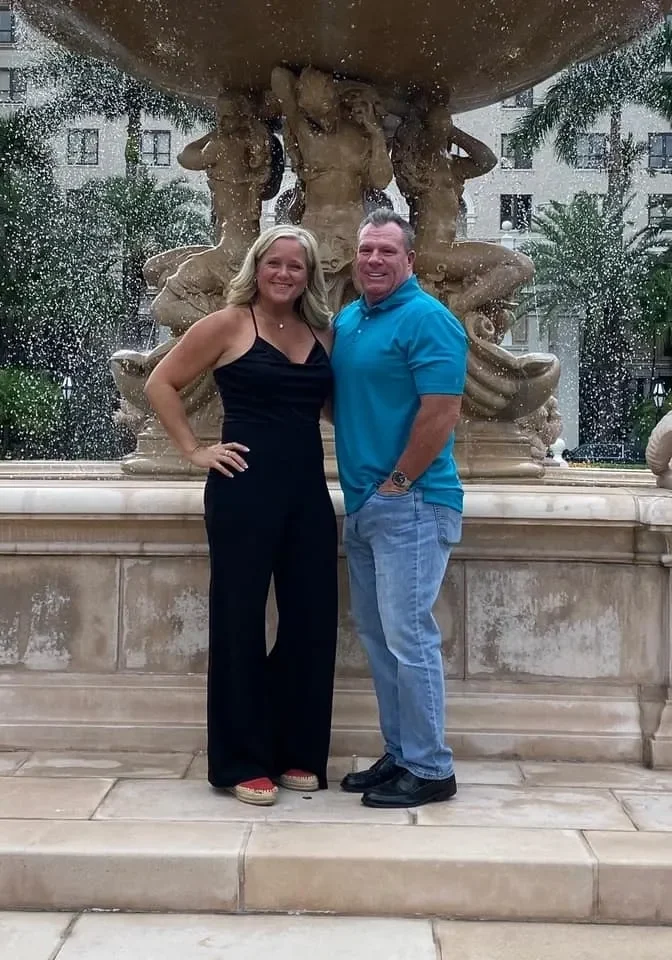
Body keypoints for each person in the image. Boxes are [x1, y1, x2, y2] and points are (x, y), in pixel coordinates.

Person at [145, 225, 338, 806]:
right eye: (274, 263)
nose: (284, 274)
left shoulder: (322, 331)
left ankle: (297, 750)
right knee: (239, 620)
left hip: (306, 489)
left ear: (309, 275)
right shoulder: (228, 324)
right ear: (256, 267)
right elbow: (161, 382)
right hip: (242, 487)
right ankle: (242, 760)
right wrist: (194, 450)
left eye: (296, 266)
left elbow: (334, 406)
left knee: (311, 619)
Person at [331, 208, 468, 808]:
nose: (375, 260)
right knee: (380, 637)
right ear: (355, 258)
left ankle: (433, 769)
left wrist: (399, 481)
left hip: (411, 502)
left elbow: (442, 410)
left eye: (387, 251)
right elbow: (340, 403)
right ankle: (401, 754)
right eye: (366, 251)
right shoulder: (350, 319)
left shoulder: (429, 319)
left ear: (410, 259)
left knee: (410, 637)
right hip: (365, 504)